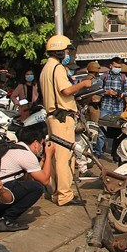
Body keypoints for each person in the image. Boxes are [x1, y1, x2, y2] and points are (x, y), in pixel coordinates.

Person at [40, 34, 94, 206]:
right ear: (59, 52)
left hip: (53, 116)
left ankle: (57, 192)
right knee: (65, 158)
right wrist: (84, 84)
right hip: (62, 117)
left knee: (57, 158)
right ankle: (65, 195)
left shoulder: (46, 68)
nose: (67, 53)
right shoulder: (57, 68)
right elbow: (66, 90)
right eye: (66, 50)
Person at [0, 123, 56, 231]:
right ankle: (7, 219)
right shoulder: (25, 155)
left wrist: (43, 158)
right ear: (36, 143)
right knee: (37, 188)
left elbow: (31, 177)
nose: (42, 147)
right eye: (42, 143)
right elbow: (45, 180)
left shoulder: (14, 148)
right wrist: (49, 155)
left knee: (28, 185)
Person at [96, 57, 127, 159]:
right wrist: (107, 92)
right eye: (116, 67)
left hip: (118, 108)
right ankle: (97, 153)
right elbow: (97, 89)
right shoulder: (104, 77)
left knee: (118, 133)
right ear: (111, 66)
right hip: (106, 106)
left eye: (119, 67)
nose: (117, 69)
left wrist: (122, 94)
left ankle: (116, 155)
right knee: (101, 131)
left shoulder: (124, 78)